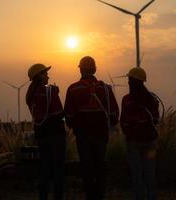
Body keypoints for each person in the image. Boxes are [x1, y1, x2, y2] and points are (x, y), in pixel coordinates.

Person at [64, 56, 119, 200]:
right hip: (101, 135)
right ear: (94, 69)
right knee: (100, 167)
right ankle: (100, 196)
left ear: (80, 70)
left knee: (87, 169)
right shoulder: (105, 89)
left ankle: (90, 196)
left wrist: (76, 127)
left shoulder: (73, 89)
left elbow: (69, 116)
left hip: (83, 137)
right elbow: (114, 114)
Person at [26, 63, 66, 200]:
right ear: (39, 76)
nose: (48, 76)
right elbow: (59, 113)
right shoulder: (50, 91)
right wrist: (55, 92)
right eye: (45, 73)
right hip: (56, 135)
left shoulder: (29, 95)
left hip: (41, 135)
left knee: (44, 168)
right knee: (58, 169)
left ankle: (42, 197)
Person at [120, 67, 160, 200]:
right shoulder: (152, 99)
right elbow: (155, 120)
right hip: (150, 142)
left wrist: (130, 133)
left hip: (133, 143)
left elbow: (124, 123)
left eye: (129, 79)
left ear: (133, 81)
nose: (127, 82)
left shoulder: (126, 100)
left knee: (137, 176)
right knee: (150, 175)